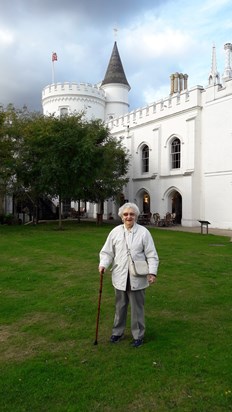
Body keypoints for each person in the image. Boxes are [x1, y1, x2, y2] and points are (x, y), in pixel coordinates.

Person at [98, 202, 159, 348]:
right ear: (121, 216)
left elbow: (152, 255)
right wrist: (103, 264)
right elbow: (107, 252)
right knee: (120, 306)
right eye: (125, 214)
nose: (128, 217)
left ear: (136, 216)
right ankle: (117, 332)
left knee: (137, 308)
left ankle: (138, 335)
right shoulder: (115, 232)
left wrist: (152, 272)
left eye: (131, 214)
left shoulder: (144, 232)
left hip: (137, 276)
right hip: (120, 275)